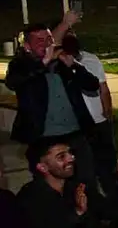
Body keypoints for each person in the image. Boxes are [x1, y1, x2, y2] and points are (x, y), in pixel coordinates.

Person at [6, 17, 101, 191]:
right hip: (43, 137)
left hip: (75, 133)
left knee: (86, 181)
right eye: (39, 41)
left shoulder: (62, 63)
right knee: (49, 187)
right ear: (27, 46)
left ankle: (90, 215)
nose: (47, 44)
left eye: (49, 39)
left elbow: (93, 85)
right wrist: (43, 64)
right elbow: (14, 82)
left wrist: (74, 67)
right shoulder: (21, 65)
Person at [63, 32, 118, 198]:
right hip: (76, 126)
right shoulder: (55, 65)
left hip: (99, 122)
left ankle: (115, 200)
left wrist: (108, 111)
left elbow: (102, 87)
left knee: (107, 166)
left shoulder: (91, 60)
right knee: (84, 170)